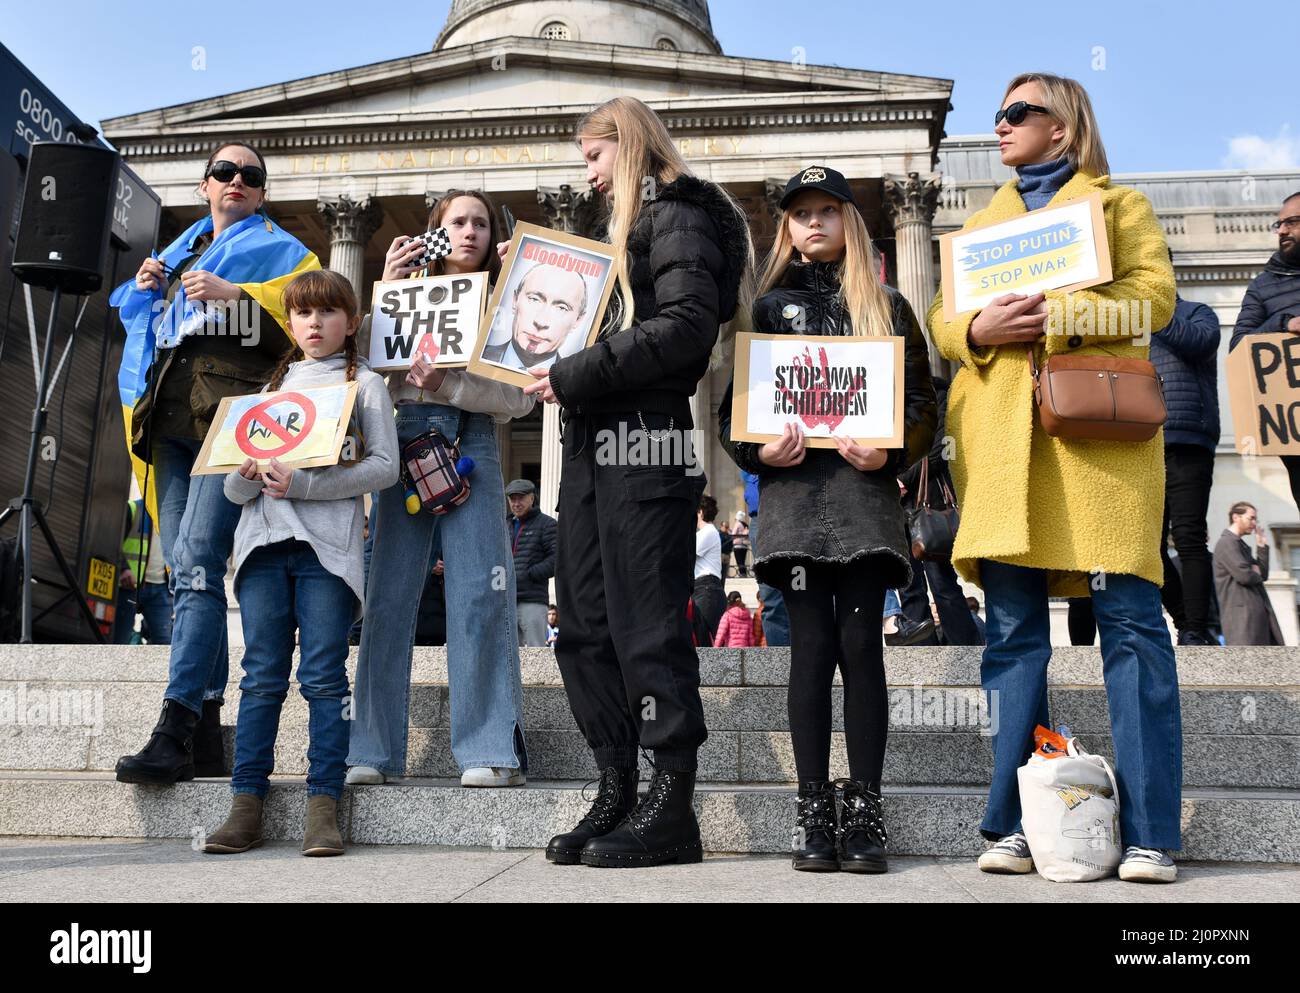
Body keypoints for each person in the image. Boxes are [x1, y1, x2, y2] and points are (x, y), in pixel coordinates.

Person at [928, 73, 1182, 883]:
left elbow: (1155, 303)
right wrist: (976, 325)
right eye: (997, 115)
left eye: (1017, 113)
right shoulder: (983, 224)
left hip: (1097, 450)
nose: (998, 126)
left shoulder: (1120, 208)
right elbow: (941, 318)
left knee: (1134, 630)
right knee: (1010, 639)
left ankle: (1151, 832)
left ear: (1064, 129)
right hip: (1005, 451)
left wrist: (1060, 313)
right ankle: (1012, 821)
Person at [524, 96, 753, 868]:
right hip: (590, 442)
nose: (585, 174)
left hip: (647, 440)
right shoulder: (610, 233)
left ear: (628, 145)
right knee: (583, 620)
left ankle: (671, 800)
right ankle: (616, 780)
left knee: (644, 622)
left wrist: (574, 369)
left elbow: (689, 327)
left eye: (593, 157)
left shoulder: (678, 214)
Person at [720, 164, 937, 874]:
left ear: (850, 219)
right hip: (793, 502)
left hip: (864, 503)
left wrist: (891, 452)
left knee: (862, 650)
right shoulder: (765, 308)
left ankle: (865, 804)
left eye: (827, 210)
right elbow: (733, 419)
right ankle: (814, 804)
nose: (813, 222)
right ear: (784, 227)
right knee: (810, 654)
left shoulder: (890, 307)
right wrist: (759, 449)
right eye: (799, 213)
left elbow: (923, 403)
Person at [111, 141, 320, 783]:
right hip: (169, 421)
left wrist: (237, 296)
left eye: (250, 177)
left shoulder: (284, 251)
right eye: (225, 172)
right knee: (182, 569)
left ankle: (174, 725)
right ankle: (204, 731)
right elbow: (145, 330)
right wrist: (147, 288)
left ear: (261, 194)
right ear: (205, 185)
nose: (237, 181)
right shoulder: (179, 253)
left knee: (199, 562)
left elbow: (309, 322)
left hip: (226, 422)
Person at [201, 269, 398, 856]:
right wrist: (242, 475)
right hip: (261, 550)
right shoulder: (266, 393)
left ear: (352, 321)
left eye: (328, 312)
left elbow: (386, 468)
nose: (316, 324)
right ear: (291, 325)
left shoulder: (367, 387)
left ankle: (323, 804)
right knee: (260, 676)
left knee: (322, 677)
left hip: (327, 552)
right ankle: (245, 804)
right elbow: (235, 494)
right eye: (304, 315)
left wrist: (307, 487)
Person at [346, 190, 532, 789]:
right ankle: (371, 749)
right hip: (400, 439)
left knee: (480, 593)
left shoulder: (504, 307)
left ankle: (488, 747)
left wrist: (451, 384)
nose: (470, 232)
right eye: (457, 221)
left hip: (470, 441)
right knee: (387, 598)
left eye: (480, 222)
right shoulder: (396, 299)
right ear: (435, 231)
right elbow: (355, 370)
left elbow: (519, 399)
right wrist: (382, 293)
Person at [1150, 259, 1221, 646]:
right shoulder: (1130, 320)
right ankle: (1183, 620)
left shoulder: (1198, 313)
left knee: (1190, 536)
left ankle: (1198, 629)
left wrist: (1154, 309)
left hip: (1190, 438)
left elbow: (1199, 343)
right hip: (1143, 442)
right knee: (1151, 545)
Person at [897, 376, 984, 646]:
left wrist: (900, 479)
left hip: (930, 501)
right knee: (908, 585)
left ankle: (964, 648)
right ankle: (920, 652)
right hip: (895, 505)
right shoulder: (883, 392)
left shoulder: (938, 392)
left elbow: (939, 450)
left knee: (942, 582)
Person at [1229, 192, 1300, 508]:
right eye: (1279, 223)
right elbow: (1238, 345)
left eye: (1292, 222)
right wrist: (1287, 323)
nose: (1282, 230)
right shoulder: (1263, 286)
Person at [480, 264, 590, 372]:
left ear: (578, 320)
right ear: (515, 300)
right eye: (534, 299)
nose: (541, 322)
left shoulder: (575, 384)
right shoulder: (474, 355)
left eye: (561, 308)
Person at [1213, 502, 1284, 646]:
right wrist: (1252, 570)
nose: (1254, 523)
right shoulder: (1227, 542)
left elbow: (1262, 575)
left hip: (1253, 616)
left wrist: (1261, 546)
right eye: (1251, 518)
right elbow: (1244, 575)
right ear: (1236, 517)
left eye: (1255, 519)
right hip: (1242, 619)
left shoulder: (1240, 544)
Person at [114, 498, 173, 645]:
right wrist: (124, 569)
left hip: (160, 590)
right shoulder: (134, 509)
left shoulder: (173, 515)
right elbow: (112, 541)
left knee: (164, 642)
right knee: (120, 639)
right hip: (130, 588)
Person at [506, 479, 557, 647]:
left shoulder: (547, 524)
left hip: (533, 601)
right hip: (505, 600)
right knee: (508, 657)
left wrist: (531, 573)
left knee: (537, 653)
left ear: (532, 498)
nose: (516, 503)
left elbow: (557, 558)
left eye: (521, 498)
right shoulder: (503, 525)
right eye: (512, 498)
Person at [693, 495, 727, 639]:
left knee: (704, 638)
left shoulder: (708, 532)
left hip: (707, 588)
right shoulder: (706, 532)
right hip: (703, 588)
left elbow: (687, 553)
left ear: (700, 512)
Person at [732, 512, 751, 577]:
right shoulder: (745, 524)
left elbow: (733, 534)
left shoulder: (737, 524)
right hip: (744, 545)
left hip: (737, 545)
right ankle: (744, 573)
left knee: (739, 561)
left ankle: (742, 574)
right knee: (742, 561)